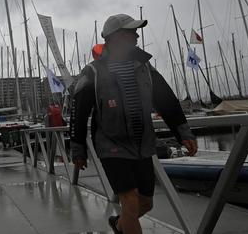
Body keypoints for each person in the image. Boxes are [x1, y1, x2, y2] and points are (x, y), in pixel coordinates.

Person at [69, 14, 197, 234]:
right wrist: (78, 148)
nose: (137, 36)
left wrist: (183, 132)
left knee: (145, 203)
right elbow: (78, 112)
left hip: (143, 146)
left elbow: (166, 100)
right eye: (131, 32)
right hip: (111, 146)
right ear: (115, 37)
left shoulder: (146, 68)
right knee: (129, 201)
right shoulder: (93, 72)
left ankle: (119, 225)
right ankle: (125, 223)